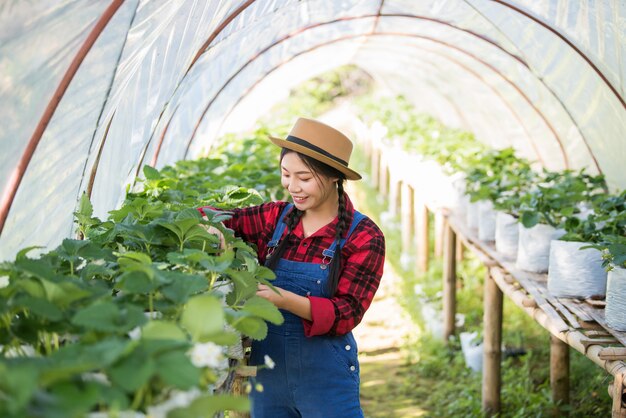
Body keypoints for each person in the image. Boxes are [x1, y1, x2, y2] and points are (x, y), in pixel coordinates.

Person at [200, 117, 385, 418]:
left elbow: (347, 313)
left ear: (334, 177)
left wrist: (282, 299)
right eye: (286, 174)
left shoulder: (364, 236)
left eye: (304, 178)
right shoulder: (275, 218)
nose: (292, 186)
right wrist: (210, 227)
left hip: (325, 380)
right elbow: (211, 214)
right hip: (268, 377)